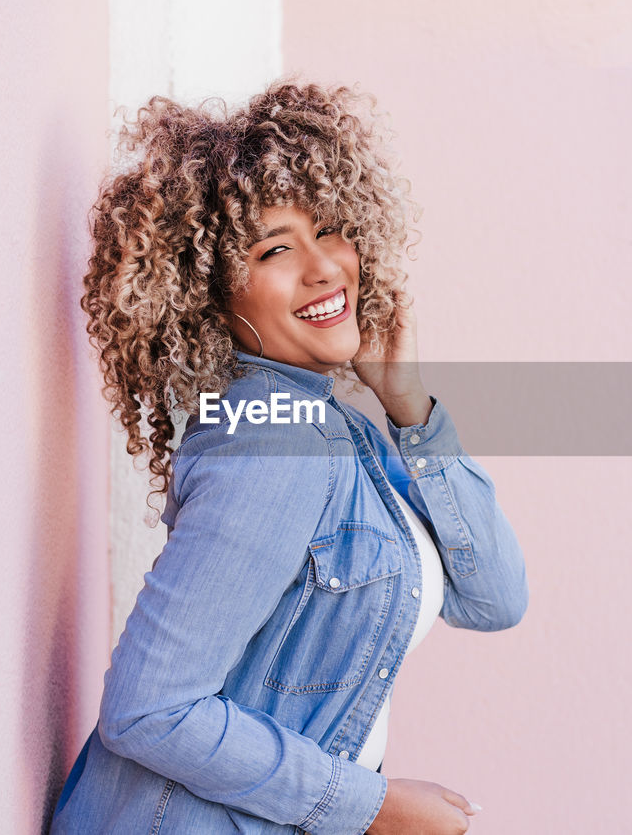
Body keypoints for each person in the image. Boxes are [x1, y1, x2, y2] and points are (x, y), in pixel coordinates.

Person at [50, 79, 528, 834]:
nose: (324, 267)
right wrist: (371, 806)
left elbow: (496, 596)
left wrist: (410, 407)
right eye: (276, 247)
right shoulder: (272, 440)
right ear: (207, 290)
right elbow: (148, 706)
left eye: (332, 228)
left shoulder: (347, 435)